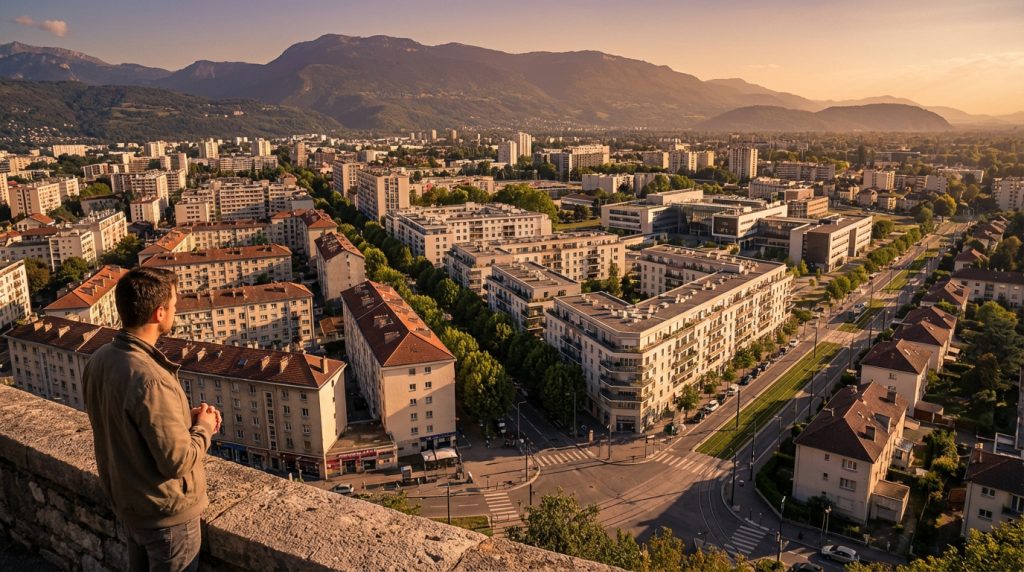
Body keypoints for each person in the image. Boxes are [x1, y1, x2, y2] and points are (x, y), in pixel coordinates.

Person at [83, 267, 221, 572]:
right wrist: (203, 428)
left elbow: (127, 423)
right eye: (173, 306)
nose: (176, 311)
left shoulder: (100, 359)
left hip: (130, 505)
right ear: (159, 313)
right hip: (166, 518)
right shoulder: (150, 379)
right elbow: (176, 461)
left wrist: (183, 417)